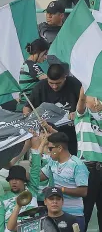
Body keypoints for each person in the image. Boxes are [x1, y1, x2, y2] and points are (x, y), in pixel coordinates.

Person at [23, 64, 82, 155]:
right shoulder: (41, 87)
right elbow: (28, 107)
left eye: (58, 83)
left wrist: (77, 112)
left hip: (72, 133)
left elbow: (86, 102)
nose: (54, 86)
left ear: (65, 77)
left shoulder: (74, 84)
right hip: (48, 137)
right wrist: (27, 116)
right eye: (51, 83)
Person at [0, 134, 45, 232]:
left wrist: (34, 148)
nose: (13, 182)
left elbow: (35, 169)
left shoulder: (32, 190)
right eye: (11, 179)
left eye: (17, 179)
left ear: (24, 181)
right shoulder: (2, 199)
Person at [40, 132, 89, 231]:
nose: (49, 152)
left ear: (59, 148)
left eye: (50, 148)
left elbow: (83, 191)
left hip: (74, 215)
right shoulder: (52, 162)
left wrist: (58, 190)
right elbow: (38, 177)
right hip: (54, 215)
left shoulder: (77, 164)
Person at [74, 88, 102, 231]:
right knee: (84, 212)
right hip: (87, 169)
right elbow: (80, 102)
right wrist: (85, 86)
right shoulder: (82, 115)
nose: (94, 100)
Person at [7, 187, 79, 232]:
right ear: (45, 202)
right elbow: (11, 227)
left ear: (62, 201)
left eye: (58, 199)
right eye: (51, 199)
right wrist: (18, 206)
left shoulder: (71, 219)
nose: (54, 202)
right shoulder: (38, 220)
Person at [17, 38, 50, 112]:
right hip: (28, 106)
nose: (45, 57)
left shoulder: (26, 64)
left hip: (24, 104)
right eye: (45, 54)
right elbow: (49, 79)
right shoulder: (32, 66)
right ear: (38, 51)